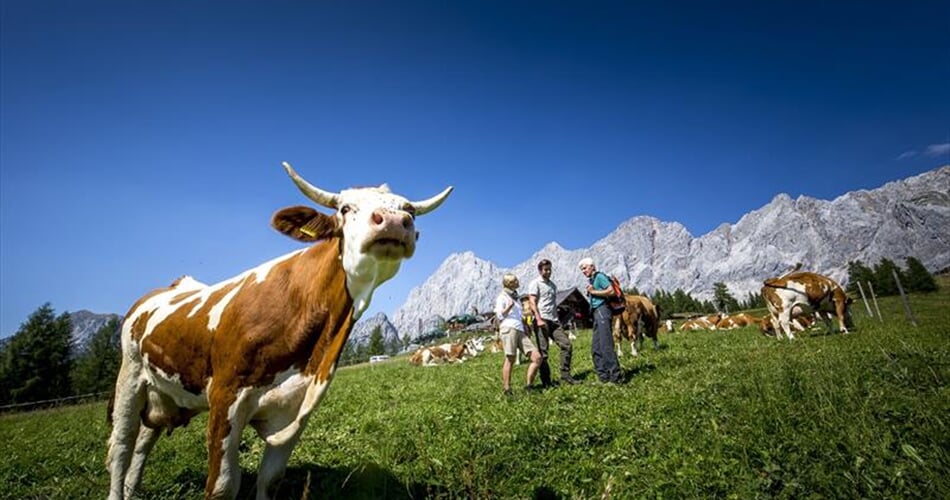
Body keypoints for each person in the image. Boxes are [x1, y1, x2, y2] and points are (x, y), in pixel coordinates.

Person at [527, 259, 580, 386]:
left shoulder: (552, 285)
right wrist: (538, 319)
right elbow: (532, 302)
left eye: (550, 269)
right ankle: (546, 381)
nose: (548, 271)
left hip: (554, 321)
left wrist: (557, 319)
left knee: (567, 345)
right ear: (540, 270)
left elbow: (552, 304)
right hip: (541, 320)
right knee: (543, 352)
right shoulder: (535, 283)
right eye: (545, 269)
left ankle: (565, 375)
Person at [494, 273, 542, 395]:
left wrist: (525, 325)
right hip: (508, 328)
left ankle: (529, 385)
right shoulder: (502, 297)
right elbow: (499, 315)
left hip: (519, 329)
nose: (518, 281)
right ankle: (507, 389)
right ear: (510, 283)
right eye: (515, 280)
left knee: (537, 357)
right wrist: (509, 307)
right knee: (510, 358)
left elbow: (519, 315)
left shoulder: (516, 297)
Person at [578, 257, 623, 384]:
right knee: (596, 348)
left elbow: (611, 291)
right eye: (582, 269)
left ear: (592, 266)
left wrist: (594, 291)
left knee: (606, 345)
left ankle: (616, 377)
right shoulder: (593, 280)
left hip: (603, 310)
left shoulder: (599, 276)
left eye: (585, 268)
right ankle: (603, 377)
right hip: (597, 313)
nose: (583, 271)